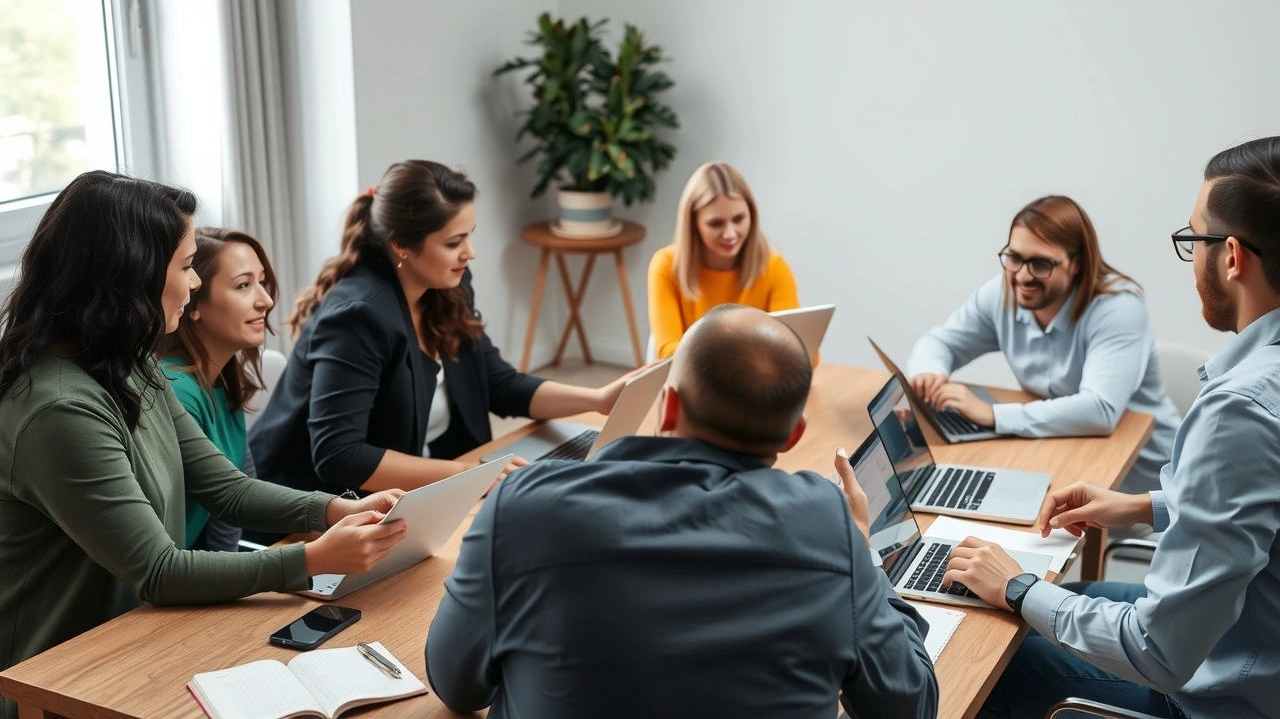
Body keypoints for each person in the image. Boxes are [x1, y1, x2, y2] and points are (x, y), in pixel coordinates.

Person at [0, 171, 407, 719]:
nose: (194, 283)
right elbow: (159, 571)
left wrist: (338, 509)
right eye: (187, 266)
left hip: (141, 642)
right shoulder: (60, 410)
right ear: (134, 274)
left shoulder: (130, 363)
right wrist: (312, 557)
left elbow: (227, 489)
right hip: (60, 680)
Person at [426, 304, 937, 719]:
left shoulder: (523, 508)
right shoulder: (828, 527)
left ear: (667, 406)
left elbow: (456, 685)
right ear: (793, 435)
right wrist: (862, 550)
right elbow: (910, 706)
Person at [944, 137, 1280, 719]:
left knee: (985, 662)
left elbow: (1160, 651)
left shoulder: (1240, 410)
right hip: (1245, 635)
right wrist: (1143, 506)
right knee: (1064, 599)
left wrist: (1018, 587)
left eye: (1192, 239)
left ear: (1230, 257)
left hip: (1223, 691)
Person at [250, 160, 644, 501]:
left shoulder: (446, 286)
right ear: (401, 245)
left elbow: (499, 383)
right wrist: (467, 476)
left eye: (470, 235)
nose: (470, 252)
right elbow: (339, 455)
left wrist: (598, 399)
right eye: (455, 242)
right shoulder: (358, 317)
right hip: (304, 516)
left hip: (401, 496)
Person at [906, 195, 1179, 495]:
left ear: (1076, 264)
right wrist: (929, 372)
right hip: (1071, 461)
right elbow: (939, 342)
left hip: (1152, 487)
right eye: (1014, 258)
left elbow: (1100, 410)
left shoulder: (1118, 309)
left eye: (1040, 264)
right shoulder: (1001, 295)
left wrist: (994, 415)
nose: (1023, 276)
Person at [157, 227, 277, 551]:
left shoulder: (222, 380)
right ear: (192, 302)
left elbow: (237, 495)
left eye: (262, 281)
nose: (266, 301)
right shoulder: (177, 392)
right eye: (243, 285)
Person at [647, 161, 802, 359]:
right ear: (693, 224)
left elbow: (800, 352)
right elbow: (668, 353)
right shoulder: (666, 266)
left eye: (738, 219)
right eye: (716, 223)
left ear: (752, 215)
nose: (730, 234)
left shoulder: (773, 267)